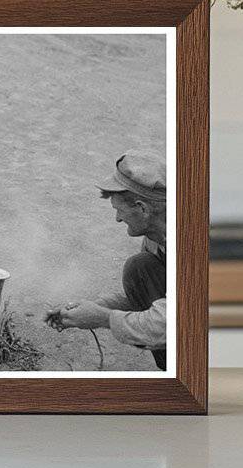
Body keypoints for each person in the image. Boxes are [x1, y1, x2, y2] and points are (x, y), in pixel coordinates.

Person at [46, 151, 168, 370]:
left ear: (142, 208)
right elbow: (147, 297)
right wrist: (94, 308)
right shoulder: (159, 233)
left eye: (119, 211)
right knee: (139, 268)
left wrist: (103, 318)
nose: (118, 219)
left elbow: (169, 322)